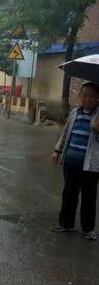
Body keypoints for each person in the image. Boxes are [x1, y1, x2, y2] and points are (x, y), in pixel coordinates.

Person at [51, 82, 99, 241]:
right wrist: (57, 150)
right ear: (80, 96)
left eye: (92, 96)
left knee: (89, 197)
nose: (88, 99)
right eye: (85, 95)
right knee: (69, 193)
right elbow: (65, 133)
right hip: (71, 161)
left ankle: (88, 228)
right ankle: (66, 223)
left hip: (90, 165)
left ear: (97, 98)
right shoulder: (74, 113)